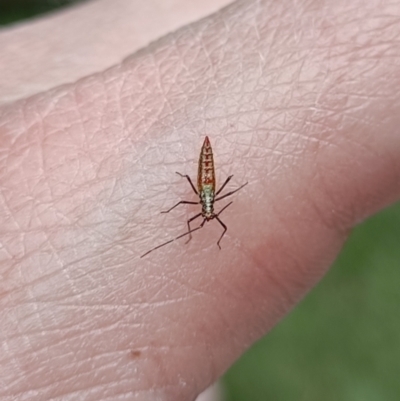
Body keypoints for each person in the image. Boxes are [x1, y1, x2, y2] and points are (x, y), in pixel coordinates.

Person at [0, 0, 399, 400]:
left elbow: (215, 206)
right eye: (207, 214)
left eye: (207, 215)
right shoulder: (201, 200)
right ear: (206, 206)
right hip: (203, 169)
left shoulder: (210, 205)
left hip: (206, 173)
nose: (208, 217)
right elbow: (196, 205)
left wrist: (212, 215)